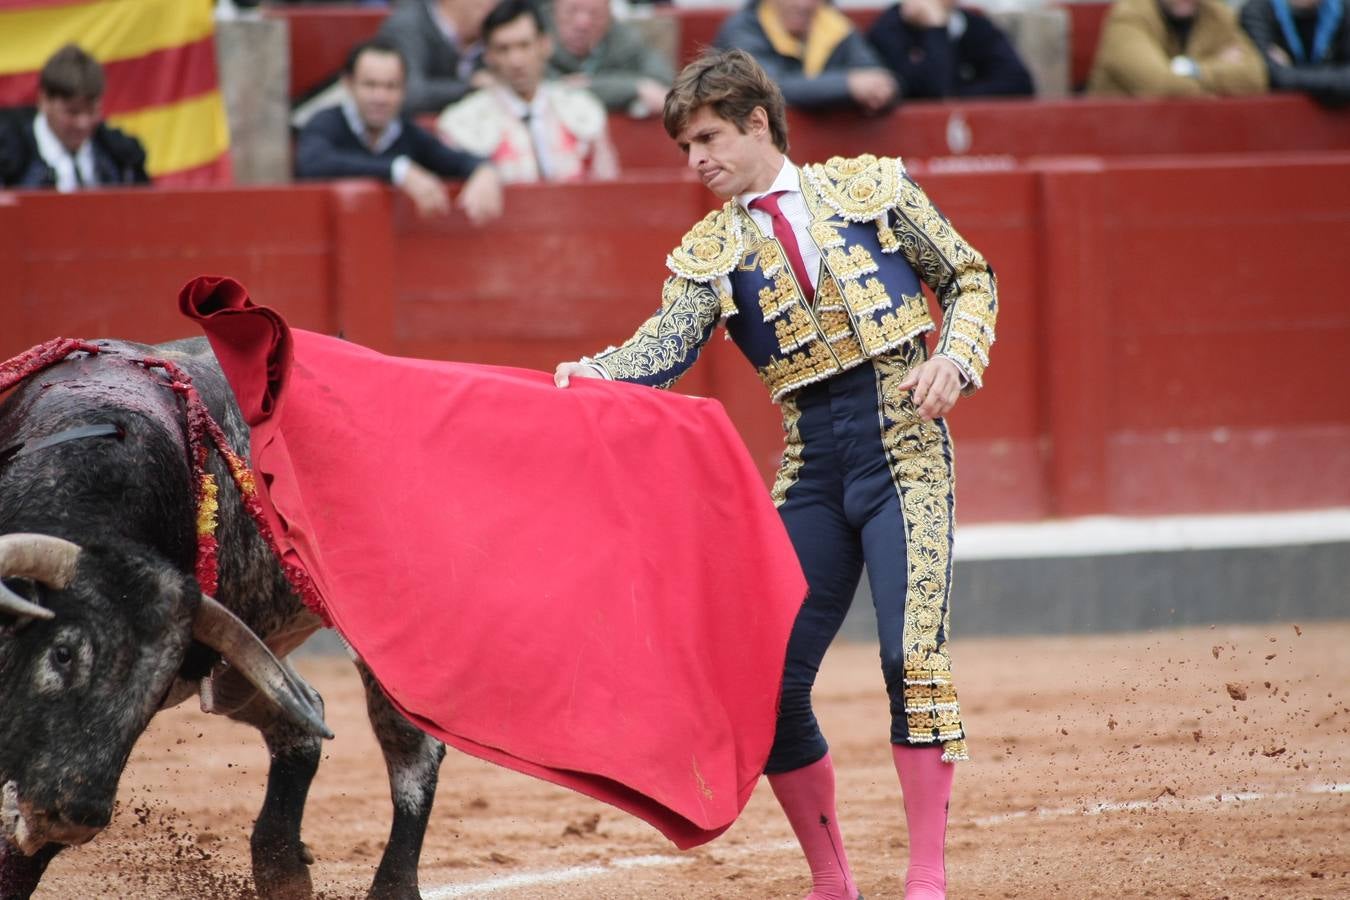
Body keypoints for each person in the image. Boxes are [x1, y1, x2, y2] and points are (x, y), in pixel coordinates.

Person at [555, 49, 995, 900]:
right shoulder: (711, 251)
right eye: (685, 147)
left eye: (708, 138)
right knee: (769, 680)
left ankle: (927, 880)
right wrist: (596, 372)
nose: (697, 161)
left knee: (915, 658)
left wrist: (956, 356)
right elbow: (661, 350)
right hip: (813, 472)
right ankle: (834, 882)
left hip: (906, 450)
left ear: (759, 122)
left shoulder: (873, 188)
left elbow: (968, 276)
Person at [295, 38, 503, 223]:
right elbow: (314, 164)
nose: (380, 97)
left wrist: (484, 171)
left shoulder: (408, 132)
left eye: (390, 86)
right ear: (349, 85)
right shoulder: (326, 123)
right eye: (370, 85)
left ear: (404, 90)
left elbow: (456, 160)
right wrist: (398, 170)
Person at [438, 0, 620, 183]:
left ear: (545, 45)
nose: (516, 61)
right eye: (503, 49)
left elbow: (606, 186)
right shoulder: (463, 122)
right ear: (488, 55)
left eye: (524, 46)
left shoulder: (581, 108)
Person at [0, 44, 150, 191]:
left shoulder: (122, 158)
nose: (83, 123)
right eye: (72, 112)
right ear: (44, 100)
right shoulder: (7, 154)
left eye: (92, 112)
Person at [714, 0, 899, 112]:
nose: (802, 4)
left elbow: (875, 74)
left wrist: (882, 90)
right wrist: (847, 85)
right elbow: (767, 88)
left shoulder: (834, 26)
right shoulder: (743, 30)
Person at [1088, 0, 1268, 95]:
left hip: (1190, 140)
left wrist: (1192, 68)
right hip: (1118, 142)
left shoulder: (1216, 14)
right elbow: (1162, 86)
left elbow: (1256, 77)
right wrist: (1220, 77)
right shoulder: (1128, 17)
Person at [866, 0, 1036, 99]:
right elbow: (932, 91)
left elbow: (1019, 82)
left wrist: (956, 94)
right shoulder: (887, 31)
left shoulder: (975, 25)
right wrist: (936, 28)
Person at [547, 0, 674, 117]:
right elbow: (547, 89)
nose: (582, 24)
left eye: (595, 14)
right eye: (571, 11)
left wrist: (591, 83)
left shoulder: (624, 39)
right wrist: (635, 89)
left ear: (609, 16)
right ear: (553, 12)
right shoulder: (534, 37)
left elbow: (663, 86)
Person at [377, 0, 497, 114]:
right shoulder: (406, 26)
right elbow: (410, 94)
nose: (493, 5)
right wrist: (471, 87)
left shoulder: (494, 31)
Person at [1240, 0, 1350, 105]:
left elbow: (1283, 76)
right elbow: (1271, 76)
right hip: (1275, 118)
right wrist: (1334, 77)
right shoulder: (1257, 12)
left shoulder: (1342, 10)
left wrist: (1290, 73)